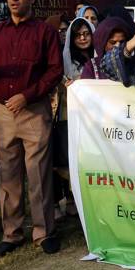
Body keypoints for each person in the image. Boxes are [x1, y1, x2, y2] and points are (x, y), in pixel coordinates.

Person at [0, 0, 64, 257]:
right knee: (8, 173)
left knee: (38, 172)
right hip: (2, 110)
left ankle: (43, 231)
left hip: (33, 109)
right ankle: (11, 233)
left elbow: (54, 71)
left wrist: (28, 95)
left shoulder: (44, 33)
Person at [53, 17, 95, 218]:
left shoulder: (100, 55)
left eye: (87, 33)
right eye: (78, 35)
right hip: (72, 116)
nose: (83, 38)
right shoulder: (65, 59)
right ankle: (72, 199)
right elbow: (61, 84)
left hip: (97, 118)